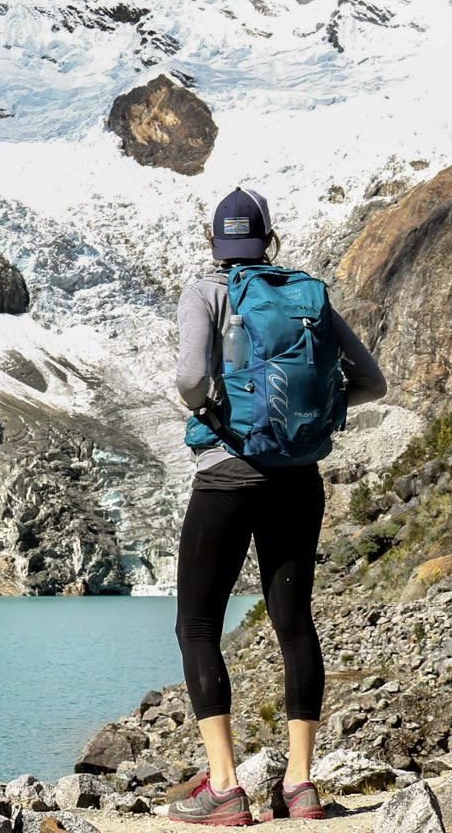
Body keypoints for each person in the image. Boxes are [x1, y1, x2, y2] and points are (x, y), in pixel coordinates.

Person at [166, 187, 386, 826]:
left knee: (198, 626)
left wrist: (211, 412)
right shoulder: (308, 295)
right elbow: (371, 380)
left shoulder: (207, 292)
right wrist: (316, 419)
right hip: (299, 479)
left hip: (227, 476)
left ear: (216, 243)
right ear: (270, 239)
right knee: (294, 623)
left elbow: (187, 379)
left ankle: (227, 788)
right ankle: (299, 785)